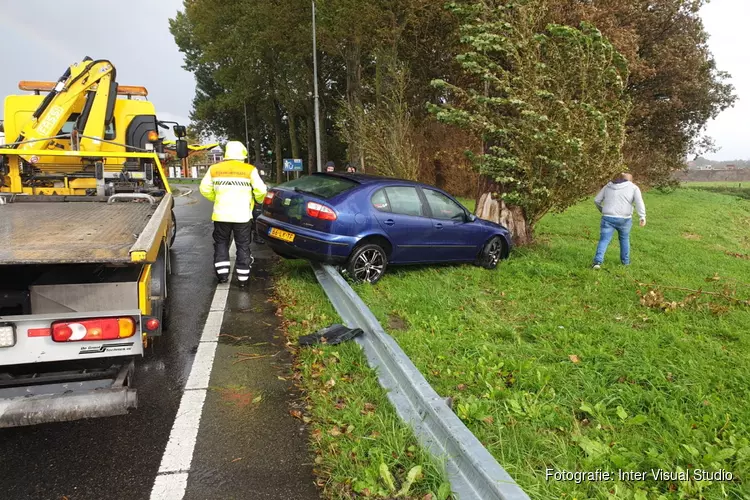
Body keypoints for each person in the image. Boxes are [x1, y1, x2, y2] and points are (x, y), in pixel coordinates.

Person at [199, 141, 267, 286]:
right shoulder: (249, 170)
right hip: (242, 216)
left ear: (226, 153)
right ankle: (243, 279)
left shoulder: (214, 169)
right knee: (242, 245)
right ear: (243, 154)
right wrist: (257, 200)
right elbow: (261, 190)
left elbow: (204, 189)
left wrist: (216, 198)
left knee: (221, 243)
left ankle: (222, 276)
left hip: (221, 215)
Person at [592, 172, 646, 269]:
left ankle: (597, 262)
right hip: (624, 219)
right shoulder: (633, 188)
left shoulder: (608, 186)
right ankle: (625, 262)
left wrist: (602, 209)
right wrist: (642, 216)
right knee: (624, 239)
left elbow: (596, 200)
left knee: (604, 240)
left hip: (607, 217)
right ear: (630, 180)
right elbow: (639, 202)